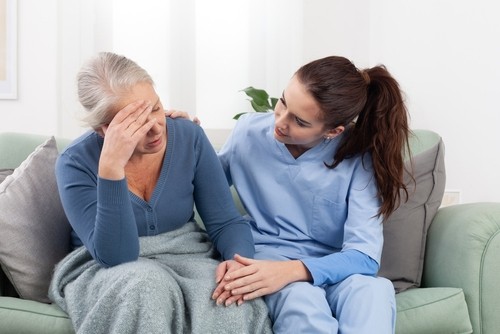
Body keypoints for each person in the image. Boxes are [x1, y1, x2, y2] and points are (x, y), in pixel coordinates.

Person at [48, 52, 272, 334]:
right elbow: (115, 256)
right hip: (102, 265)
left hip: (187, 253)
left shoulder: (188, 136)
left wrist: (237, 264)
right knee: (146, 286)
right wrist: (111, 168)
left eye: (155, 109)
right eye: (137, 123)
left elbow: (226, 221)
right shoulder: (74, 162)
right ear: (104, 130)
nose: (155, 129)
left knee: (229, 298)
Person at [212, 55, 411, 333]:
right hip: (269, 257)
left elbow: (364, 256)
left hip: (337, 267)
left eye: (300, 122)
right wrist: (182, 135)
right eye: (282, 102)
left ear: (332, 131)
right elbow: (203, 188)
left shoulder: (358, 158)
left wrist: (294, 270)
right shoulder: (248, 132)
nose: (280, 122)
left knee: (374, 292)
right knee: (300, 301)